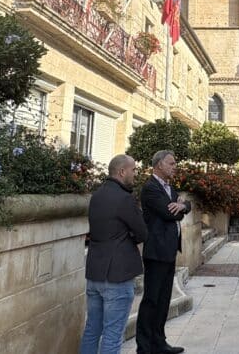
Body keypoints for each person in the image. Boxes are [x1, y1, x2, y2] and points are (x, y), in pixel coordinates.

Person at [80, 154, 148, 354]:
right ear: (122, 172)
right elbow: (142, 232)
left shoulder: (97, 195)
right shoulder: (124, 199)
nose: (135, 173)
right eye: (133, 170)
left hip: (94, 272)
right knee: (112, 334)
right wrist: (128, 236)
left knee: (92, 329)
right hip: (117, 276)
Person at [136, 150, 191, 354]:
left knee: (164, 299)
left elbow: (187, 204)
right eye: (171, 163)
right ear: (159, 165)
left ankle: (159, 343)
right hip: (156, 251)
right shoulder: (151, 188)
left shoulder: (169, 187)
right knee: (151, 300)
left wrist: (182, 205)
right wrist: (180, 207)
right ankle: (144, 347)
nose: (175, 166)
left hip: (168, 251)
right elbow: (170, 214)